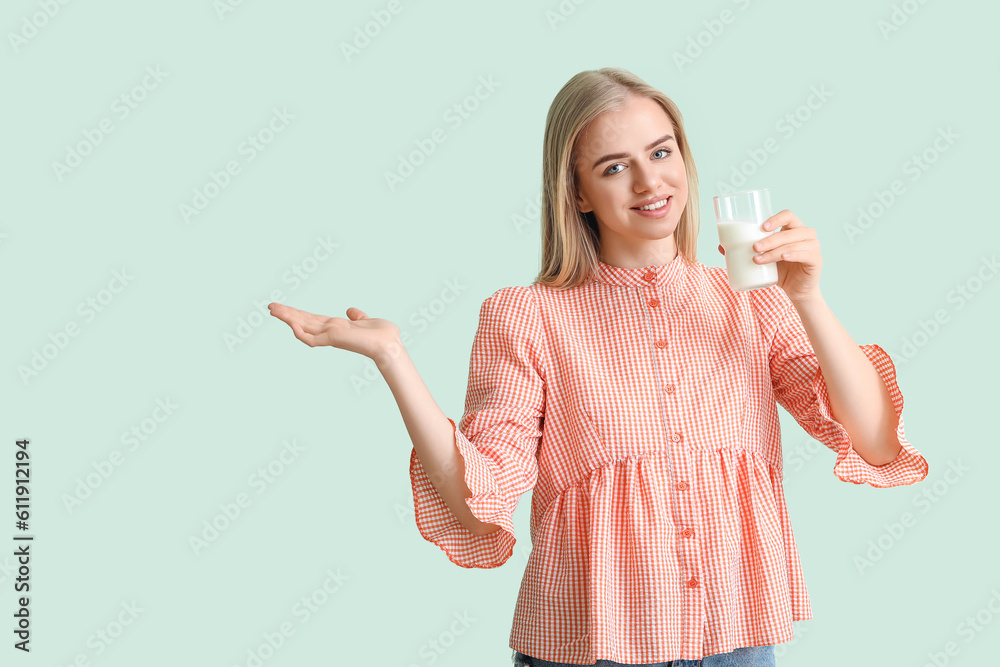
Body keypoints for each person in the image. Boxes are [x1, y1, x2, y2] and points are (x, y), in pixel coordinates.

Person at [268, 67, 929, 667]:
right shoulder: (524, 316)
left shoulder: (752, 300)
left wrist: (806, 294)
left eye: (661, 152)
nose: (650, 182)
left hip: (737, 641)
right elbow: (482, 498)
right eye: (615, 167)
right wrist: (393, 358)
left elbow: (872, 439)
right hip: (589, 650)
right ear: (577, 191)